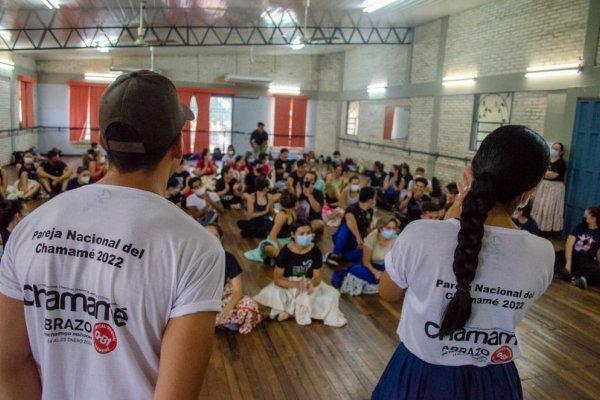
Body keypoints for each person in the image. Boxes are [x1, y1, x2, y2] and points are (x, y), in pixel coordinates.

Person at [0, 70, 224, 399]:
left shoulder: (30, 228)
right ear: (178, 144)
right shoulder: (196, 248)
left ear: (104, 142)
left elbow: (9, 366)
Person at [372, 125, 554, 399]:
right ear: (528, 194)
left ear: (470, 172)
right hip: (494, 379)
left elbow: (387, 293)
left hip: (421, 374)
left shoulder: (420, 234)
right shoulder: (543, 253)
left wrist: (449, 220)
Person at [254, 219, 347, 327]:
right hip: (288, 283)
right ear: (293, 235)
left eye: (308, 233)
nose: (306, 236)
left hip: (308, 283)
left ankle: (290, 313)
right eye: (302, 233)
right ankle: (294, 311)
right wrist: (297, 285)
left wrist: (311, 284)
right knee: (270, 295)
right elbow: (277, 280)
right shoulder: (285, 251)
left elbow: (317, 277)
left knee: (331, 296)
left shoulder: (315, 251)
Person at [204, 223, 261, 335]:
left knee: (249, 305)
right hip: (201, 301)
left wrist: (227, 309)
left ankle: (222, 321)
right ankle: (220, 323)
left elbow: (237, 290)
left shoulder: (228, 258)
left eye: (215, 236)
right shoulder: (193, 259)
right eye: (206, 236)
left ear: (221, 239)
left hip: (221, 298)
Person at [337, 217, 399, 295]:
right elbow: (366, 261)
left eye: (394, 228)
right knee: (356, 270)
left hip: (386, 267)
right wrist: (375, 272)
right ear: (381, 228)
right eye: (388, 228)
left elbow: (396, 261)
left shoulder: (396, 239)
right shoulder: (372, 237)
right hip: (371, 265)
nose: (392, 231)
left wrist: (387, 274)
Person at [326, 187, 376, 266]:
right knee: (346, 227)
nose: (374, 201)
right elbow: (350, 222)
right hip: (343, 238)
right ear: (370, 200)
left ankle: (341, 256)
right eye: (374, 198)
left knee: (367, 252)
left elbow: (368, 228)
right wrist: (358, 238)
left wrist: (366, 242)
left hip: (356, 243)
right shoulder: (352, 208)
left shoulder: (370, 211)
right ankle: (334, 255)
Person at [244, 191, 297, 263]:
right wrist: (283, 249)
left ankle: (280, 258)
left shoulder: (292, 213)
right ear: (295, 203)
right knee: (267, 248)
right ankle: (282, 258)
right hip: (276, 242)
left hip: (287, 241)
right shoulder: (283, 215)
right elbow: (272, 236)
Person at [555, 206, 600, 289]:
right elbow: (569, 244)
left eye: (589, 215)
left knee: (597, 271)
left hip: (586, 260)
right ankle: (573, 278)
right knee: (554, 256)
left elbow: (598, 255)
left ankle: (565, 274)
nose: (586, 216)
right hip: (573, 255)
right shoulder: (580, 226)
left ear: (595, 218)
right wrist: (569, 262)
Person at [531, 142, 567, 232]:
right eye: (553, 148)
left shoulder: (561, 163)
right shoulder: (547, 160)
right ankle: (536, 226)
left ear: (561, 152)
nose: (554, 150)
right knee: (540, 206)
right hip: (544, 185)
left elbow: (554, 175)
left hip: (554, 187)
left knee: (549, 207)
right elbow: (539, 171)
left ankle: (547, 229)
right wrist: (545, 174)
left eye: (556, 149)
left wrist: (544, 173)